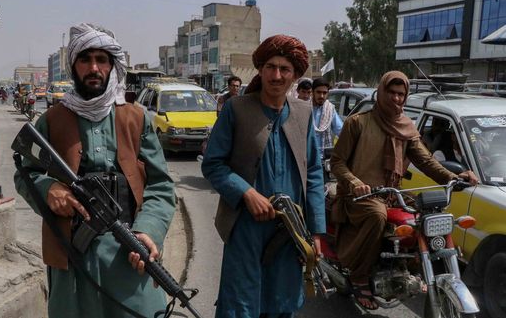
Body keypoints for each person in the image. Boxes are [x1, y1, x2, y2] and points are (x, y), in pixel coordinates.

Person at [14, 23, 176, 317]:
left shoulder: (136, 119)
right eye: (85, 60)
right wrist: (49, 190)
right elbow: (25, 173)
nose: (93, 68)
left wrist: (149, 230)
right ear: (73, 66)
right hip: (72, 256)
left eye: (102, 60)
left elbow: (161, 186)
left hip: (129, 250)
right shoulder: (52, 119)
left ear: (112, 66)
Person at [329, 71, 478, 310]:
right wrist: (355, 183)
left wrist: (453, 177)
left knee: (423, 214)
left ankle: (408, 266)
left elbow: (426, 161)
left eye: (401, 94)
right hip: (359, 196)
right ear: (381, 92)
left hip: (390, 194)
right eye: (392, 93)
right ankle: (359, 275)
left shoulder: (406, 127)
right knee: (377, 214)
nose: (397, 99)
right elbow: (337, 162)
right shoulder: (358, 122)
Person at [202, 35, 325, 318]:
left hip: (290, 231)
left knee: (282, 303)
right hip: (246, 228)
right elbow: (213, 165)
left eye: (284, 69)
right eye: (270, 66)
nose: (276, 75)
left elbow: (314, 173)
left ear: (295, 75)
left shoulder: (304, 114)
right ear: (260, 69)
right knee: (240, 305)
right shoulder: (237, 109)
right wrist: (247, 193)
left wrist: (317, 232)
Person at [311, 77, 343, 158]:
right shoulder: (304, 108)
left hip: (325, 157)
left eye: (324, 93)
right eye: (318, 92)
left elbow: (341, 131)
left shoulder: (330, 109)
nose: (321, 96)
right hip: (307, 157)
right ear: (312, 92)